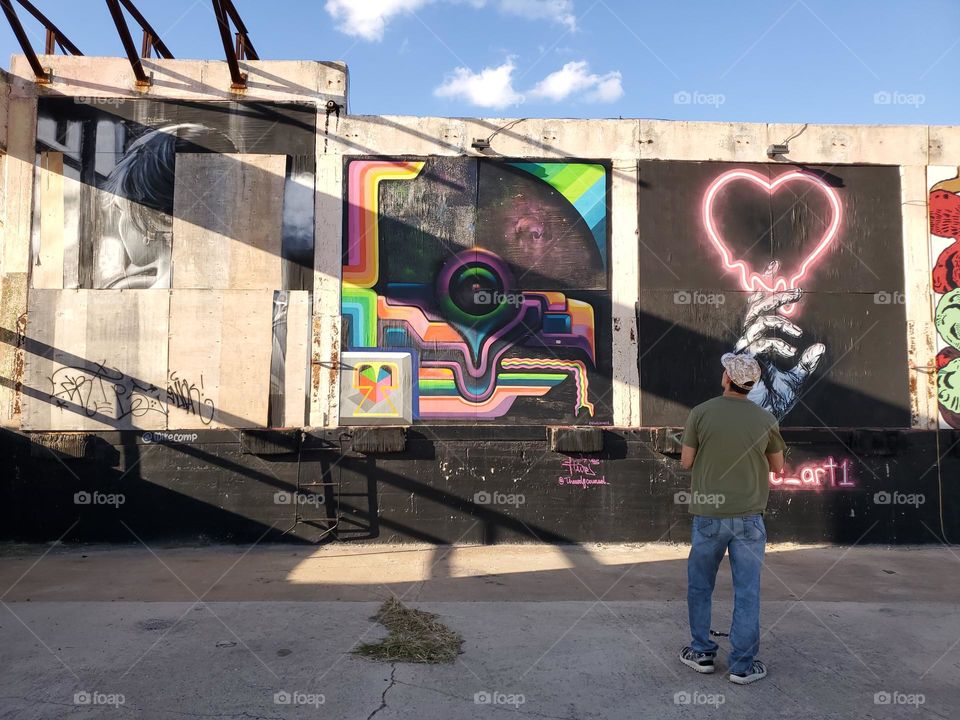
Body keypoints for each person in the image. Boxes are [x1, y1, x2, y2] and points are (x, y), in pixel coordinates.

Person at [678, 352, 785, 685]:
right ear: (751, 384)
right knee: (747, 590)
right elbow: (778, 466)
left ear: (727, 377)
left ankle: (701, 653)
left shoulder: (700, 412)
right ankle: (742, 666)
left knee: (700, 586)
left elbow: (686, 461)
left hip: (708, 515)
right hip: (749, 517)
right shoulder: (765, 418)